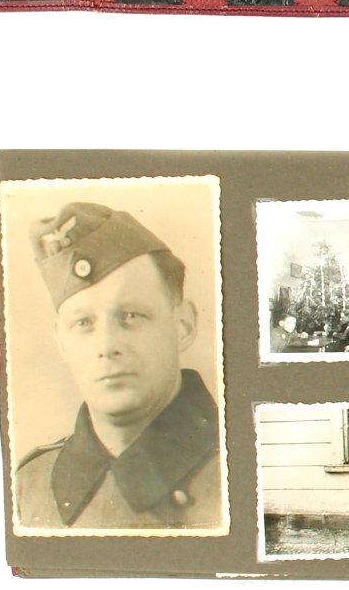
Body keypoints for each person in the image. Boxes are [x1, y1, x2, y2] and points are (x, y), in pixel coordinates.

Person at [15, 202, 223, 530]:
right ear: (62, 342)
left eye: (130, 316)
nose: (106, 346)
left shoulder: (241, 463)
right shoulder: (29, 486)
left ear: (183, 326)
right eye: (83, 323)